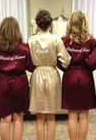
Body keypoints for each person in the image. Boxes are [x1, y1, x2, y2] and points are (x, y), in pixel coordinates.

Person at [28, 10, 71, 140]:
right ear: (50, 23)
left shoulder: (31, 40)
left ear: (37, 23)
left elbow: (28, 61)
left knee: (40, 117)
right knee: (51, 117)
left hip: (37, 75)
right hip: (52, 75)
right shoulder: (56, 39)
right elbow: (66, 61)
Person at [0, 17, 34, 140]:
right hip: (19, 83)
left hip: (2, 82)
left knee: (4, 119)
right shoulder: (24, 48)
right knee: (18, 118)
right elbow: (31, 67)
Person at [61, 10, 96, 140]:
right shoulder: (91, 41)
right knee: (83, 116)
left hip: (70, 77)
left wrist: (67, 68)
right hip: (86, 77)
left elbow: (61, 62)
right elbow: (94, 62)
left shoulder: (64, 40)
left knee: (72, 115)